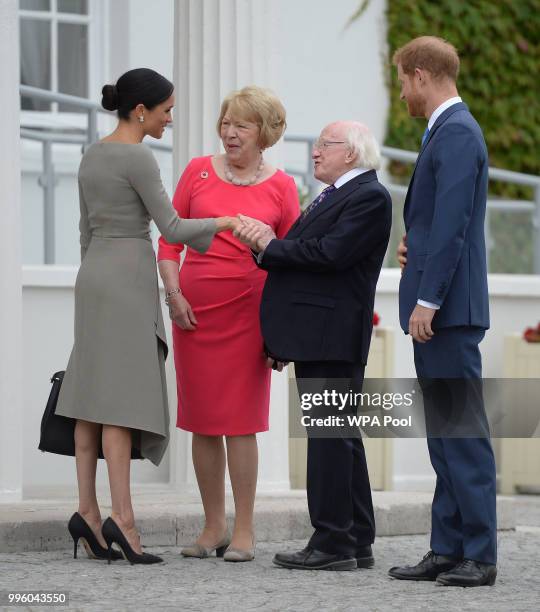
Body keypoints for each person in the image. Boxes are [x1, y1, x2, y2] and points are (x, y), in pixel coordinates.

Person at [56, 68, 240, 565]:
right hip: (126, 277)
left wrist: (94, 274)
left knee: (89, 397)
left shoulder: (92, 153)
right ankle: (125, 520)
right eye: (166, 111)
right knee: (118, 400)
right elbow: (173, 226)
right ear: (141, 111)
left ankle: (88, 514)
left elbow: (83, 231)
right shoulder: (137, 156)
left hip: (92, 274)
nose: (170, 119)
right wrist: (226, 220)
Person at [235, 120, 392, 570]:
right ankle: (356, 538)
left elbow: (330, 254)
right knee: (339, 436)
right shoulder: (337, 193)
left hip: (334, 334)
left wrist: (270, 246)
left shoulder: (367, 195)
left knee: (329, 437)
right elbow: (312, 251)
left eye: (326, 144)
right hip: (321, 333)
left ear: (352, 153)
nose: (316, 151)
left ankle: (331, 543)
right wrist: (266, 247)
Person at [157, 86, 300, 562]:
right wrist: (174, 296)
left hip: (250, 315)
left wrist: (283, 324)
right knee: (202, 422)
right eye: (226, 123)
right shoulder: (196, 170)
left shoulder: (282, 186)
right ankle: (213, 525)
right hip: (193, 315)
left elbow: (292, 260)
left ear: (264, 133)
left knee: (240, 423)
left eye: (241, 125)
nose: (230, 133)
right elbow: (169, 242)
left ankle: (244, 528)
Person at [388, 36, 497, 587]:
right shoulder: (445, 132)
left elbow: (455, 224)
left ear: (423, 74)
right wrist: (416, 246)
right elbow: (439, 223)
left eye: (403, 80)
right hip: (443, 306)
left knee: (462, 433)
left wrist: (428, 299)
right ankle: (449, 548)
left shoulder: (455, 131)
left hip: (448, 311)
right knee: (443, 434)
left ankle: (479, 552)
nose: (402, 92)